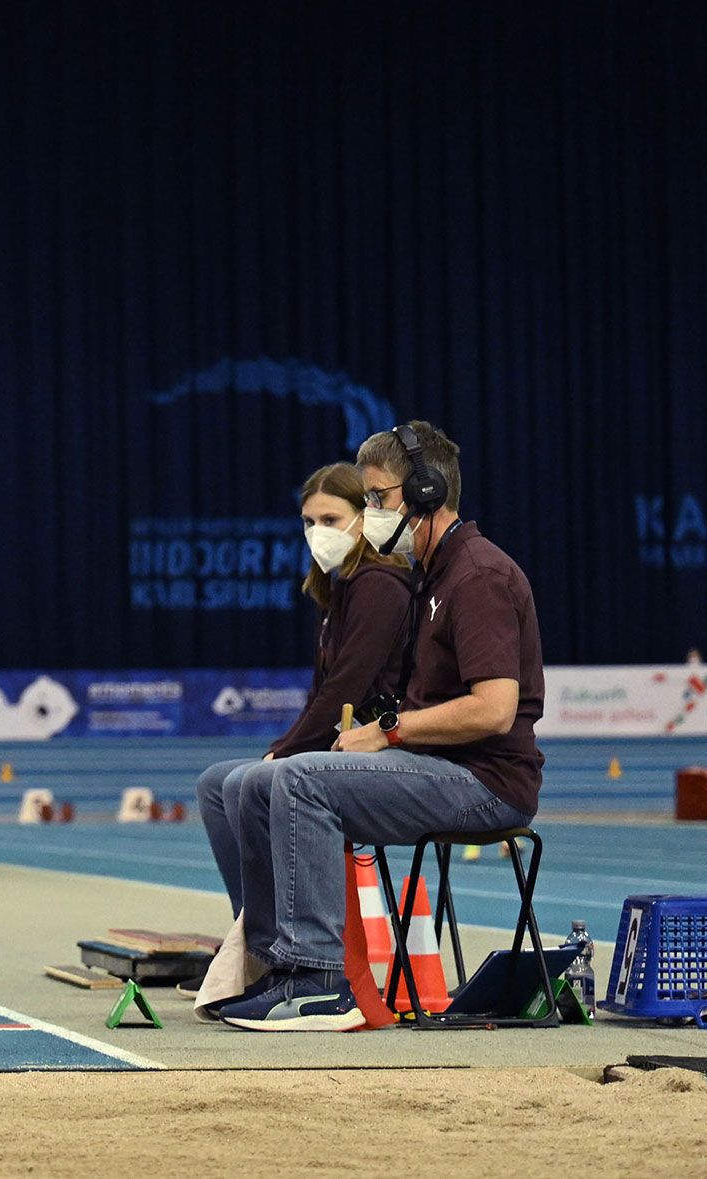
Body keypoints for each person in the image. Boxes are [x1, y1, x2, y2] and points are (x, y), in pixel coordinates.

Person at [218, 423, 546, 1033]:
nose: (370, 512)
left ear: (425, 492)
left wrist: (387, 731)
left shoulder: (478, 575)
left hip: (484, 782)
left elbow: (494, 708)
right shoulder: (429, 576)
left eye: (377, 497)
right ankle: (277, 968)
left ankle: (320, 982)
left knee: (301, 780)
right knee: (251, 785)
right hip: (440, 769)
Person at [196, 466, 417, 922]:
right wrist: (283, 749)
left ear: (365, 518)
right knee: (218, 783)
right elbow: (322, 692)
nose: (318, 533)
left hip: (387, 746)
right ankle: (255, 933)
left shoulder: (379, 585)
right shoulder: (341, 589)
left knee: (243, 783)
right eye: (309, 522)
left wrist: (285, 753)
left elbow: (346, 688)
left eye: (331, 520)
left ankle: (275, 939)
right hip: (346, 744)